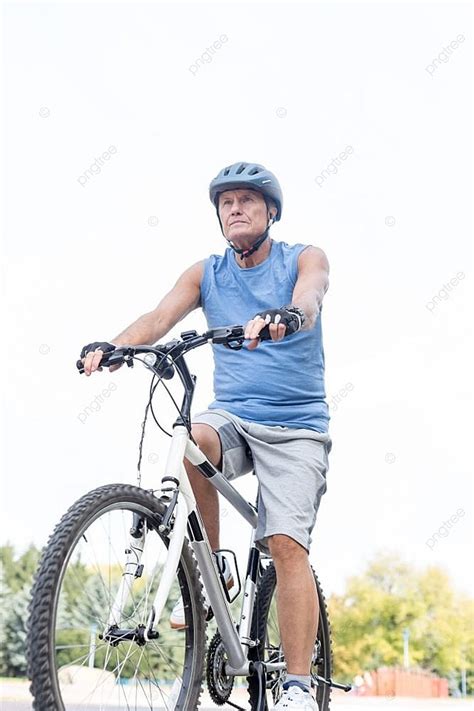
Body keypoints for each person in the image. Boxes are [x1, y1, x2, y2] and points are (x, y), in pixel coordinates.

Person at [80, 161, 331, 711]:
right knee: (191, 436)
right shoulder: (206, 272)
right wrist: (114, 345)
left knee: (285, 543)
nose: (235, 208)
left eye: (247, 200)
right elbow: (159, 316)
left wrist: (288, 314)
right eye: (226, 203)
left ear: (271, 212)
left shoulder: (302, 258)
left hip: (297, 427)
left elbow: (311, 296)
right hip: (234, 418)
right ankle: (215, 564)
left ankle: (295, 685)